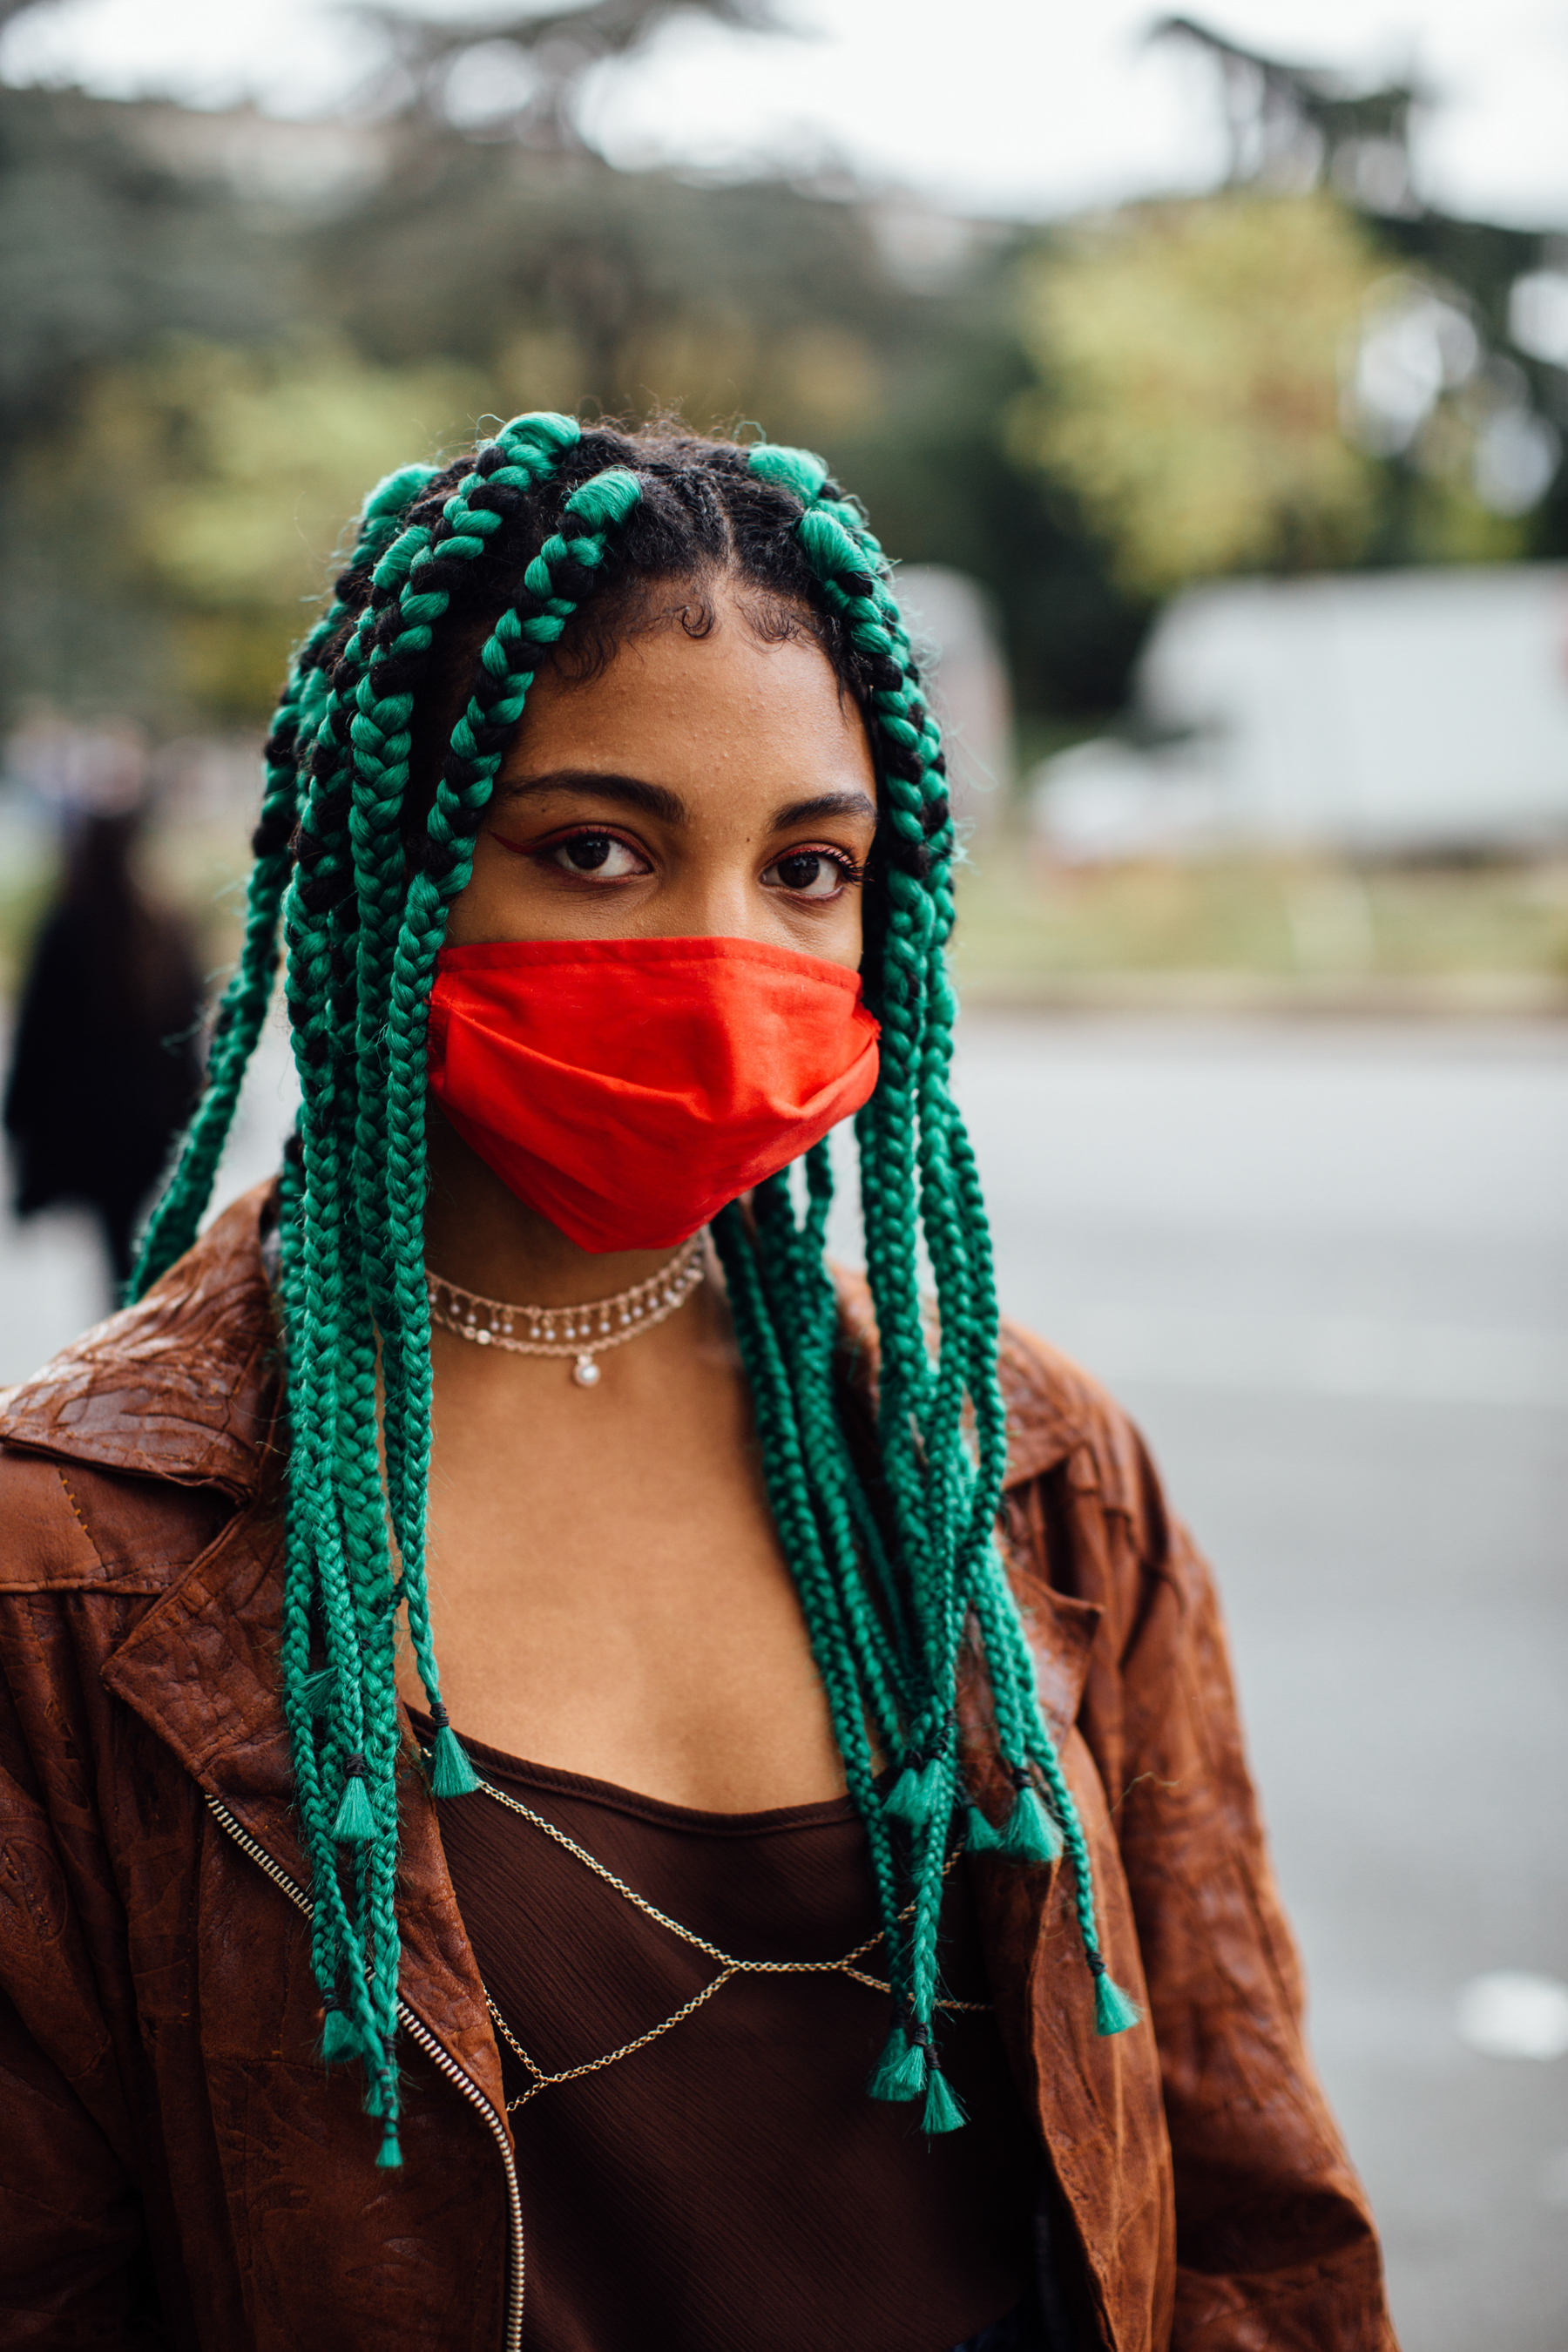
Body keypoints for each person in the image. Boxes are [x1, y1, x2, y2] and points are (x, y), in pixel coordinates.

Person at [0, 416, 1397, 2351]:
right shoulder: (61, 1563)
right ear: (384, 865)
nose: (723, 953)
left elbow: (1251, 2211)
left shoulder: (1023, 1462)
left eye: (811, 866)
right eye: (596, 850)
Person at [3, 799, 202, 1293]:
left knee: (118, 1244)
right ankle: (142, 1316)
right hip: (150, 1124)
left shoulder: (70, 930)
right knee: (135, 1234)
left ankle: (134, 1325)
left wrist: (19, 1114)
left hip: (93, 1126)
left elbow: (38, 1032)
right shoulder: (160, 926)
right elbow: (187, 1026)